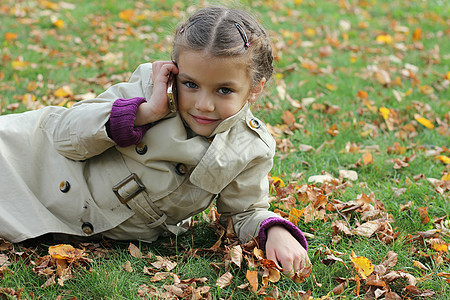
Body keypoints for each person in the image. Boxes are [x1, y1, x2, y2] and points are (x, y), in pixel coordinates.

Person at [0, 6, 310, 275]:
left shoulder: (248, 147)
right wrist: (143, 113)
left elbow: (244, 211)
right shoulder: (150, 89)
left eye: (224, 90)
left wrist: (276, 230)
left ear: (254, 89)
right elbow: (65, 136)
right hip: (27, 160)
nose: (203, 103)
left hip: (64, 219)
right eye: (190, 84)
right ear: (174, 72)